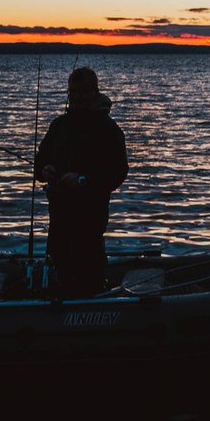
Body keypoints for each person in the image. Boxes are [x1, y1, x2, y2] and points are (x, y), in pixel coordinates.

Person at [34, 66, 128, 297]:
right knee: (57, 266)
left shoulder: (108, 129)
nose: (78, 97)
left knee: (88, 270)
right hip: (58, 214)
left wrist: (84, 180)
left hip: (90, 214)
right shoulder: (59, 126)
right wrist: (44, 171)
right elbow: (39, 163)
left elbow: (117, 172)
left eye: (84, 92)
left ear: (95, 92)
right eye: (73, 92)